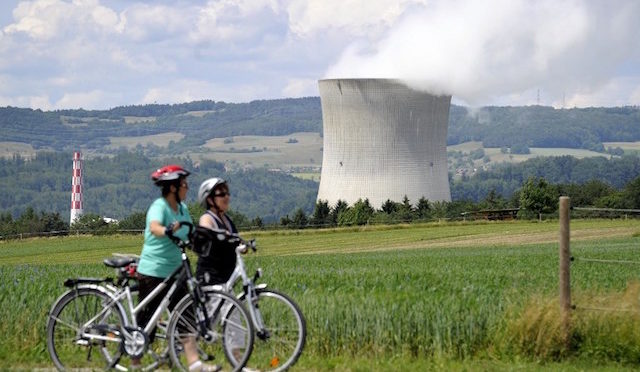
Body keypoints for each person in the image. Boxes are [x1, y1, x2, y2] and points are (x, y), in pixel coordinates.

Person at [134, 165, 219, 372]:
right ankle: (134, 363)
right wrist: (166, 229)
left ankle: (194, 364)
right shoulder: (160, 206)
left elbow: (190, 234)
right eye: (184, 184)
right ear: (172, 187)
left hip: (176, 271)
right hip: (153, 271)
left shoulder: (183, 210)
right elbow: (154, 227)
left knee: (186, 316)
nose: (187, 188)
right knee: (148, 319)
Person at [195, 177, 244, 285]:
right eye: (222, 194)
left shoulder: (227, 220)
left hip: (226, 276)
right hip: (211, 277)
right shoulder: (207, 218)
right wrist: (219, 234)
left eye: (227, 194)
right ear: (210, 199)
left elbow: (234, 238)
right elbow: (206, 231)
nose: (226, 197)